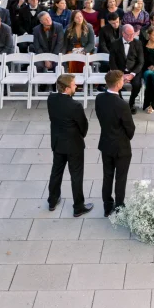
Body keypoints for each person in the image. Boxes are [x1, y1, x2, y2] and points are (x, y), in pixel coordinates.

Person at [46, 73, 92, 217]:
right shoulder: (75, 106)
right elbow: (83, 125)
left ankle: (52, 201)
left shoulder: (51, 98)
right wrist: (81, 136)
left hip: (57, 142)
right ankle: (78, 207)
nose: (76, 86)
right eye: (73, 84)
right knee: (76, 175)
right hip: (74, 145)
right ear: (66, 88)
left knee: (56, 172)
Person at [95, 70, 136, 216]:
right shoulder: (122, 104)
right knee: (120, 178)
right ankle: (119, 206)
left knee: (107, 176)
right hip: (121, 146)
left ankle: (107, 206)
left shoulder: (99, 98)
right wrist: (126, 138)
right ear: (118, 84)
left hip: (106, 143)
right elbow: (130, 128)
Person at [109, 23, 144, 111]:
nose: (131, 36)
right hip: (119, 71)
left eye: (132, 34)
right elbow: (112, 62)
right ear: (123, 33)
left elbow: (141, 62)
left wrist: (132, 74)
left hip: (134, 70)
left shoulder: (138, 43)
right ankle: (121, 103)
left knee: (137, 84)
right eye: (129, 34)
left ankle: (131, 103)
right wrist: (120, 75)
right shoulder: (114, 43)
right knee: (115, 83)